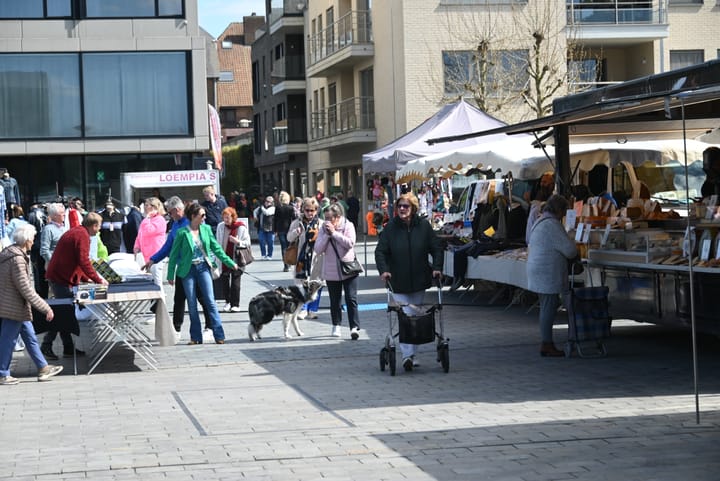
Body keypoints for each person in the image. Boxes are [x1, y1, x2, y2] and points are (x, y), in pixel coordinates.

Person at [375, 193, 443, 371]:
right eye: (399, 206)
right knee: (405, 315)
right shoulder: (390, 228)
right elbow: (380, 251)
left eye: (406, 206)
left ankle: (412, 353)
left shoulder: (423, 226)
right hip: (398, 279)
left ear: (413, 208)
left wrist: (437, 267)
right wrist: (384, 271)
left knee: (416, 317)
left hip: (420, 278)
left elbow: (436, 247)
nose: (402, 209)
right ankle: (407, 355)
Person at [0, 224, 64, 385]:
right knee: (8, 340)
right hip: (13, 306)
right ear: (27, 240)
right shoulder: (17, 259)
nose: (33, 242)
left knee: (30, 338)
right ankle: (3, 373)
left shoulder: (10, 253)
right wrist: (45, 307)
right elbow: (25, 288)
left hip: (15, 305)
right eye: (33, 238)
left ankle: (43, 367)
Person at [166, 203, 238, 345]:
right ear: (193, 216)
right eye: (202, 215)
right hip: (187, 271)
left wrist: (230, 262)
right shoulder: (182, 232)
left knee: (210, 301)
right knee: (192, 304)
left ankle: (219, 335)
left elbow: (216, 248)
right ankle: (195, 337)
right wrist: (170, 275)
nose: (205, 218)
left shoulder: (206, 229)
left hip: (203, 268)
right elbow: (173, 255)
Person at [144, 196, 213, 341]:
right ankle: (176, 329)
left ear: (177, 210)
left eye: (170, 212)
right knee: (179, 298)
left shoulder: (192, 221)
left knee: (202, 298)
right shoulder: (175, 225)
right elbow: (168, 246)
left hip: (196, 267)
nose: (169, 215)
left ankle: (209, 327)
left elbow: (206, 242)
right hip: (182, 268)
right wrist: (153, 259)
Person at [43, 213, 108, 360]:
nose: (99, 231)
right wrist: (97, 280)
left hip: (60, 277)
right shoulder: (82, 235)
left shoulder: (79, 232)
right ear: (94, 225)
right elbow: (84, 261)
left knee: (65, 312)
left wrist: (87, 278)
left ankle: (68, 348)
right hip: (60, 278)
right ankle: (47, 344)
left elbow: (78, 262)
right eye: (98, 227)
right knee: (62, 314)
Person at [526, 194, 577, 358]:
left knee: (546, 306)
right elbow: (570, 251)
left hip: (538, 270)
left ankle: (546, 342)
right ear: (559, 209)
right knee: (549, 307)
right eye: (564, 211)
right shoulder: (552, 225)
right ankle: (547, 344)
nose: (564, 215)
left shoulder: (541, 221)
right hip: (546, 273)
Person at [314, 203, 361, 339]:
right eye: (326, 218)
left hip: (348, 267)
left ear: (338, 216)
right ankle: (336, 325)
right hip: (331, 269)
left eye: (330, 218)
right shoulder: (323, 228)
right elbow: (318, 249)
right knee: (335, 300)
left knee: (351, 298)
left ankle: (354, 327)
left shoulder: (348, 225)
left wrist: (334, 233)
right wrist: (327, 235)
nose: (327, 221)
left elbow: (350, 243)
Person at [287, 197, 323, 320]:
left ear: (316, 211)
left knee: (316, 284)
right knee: (301, 285)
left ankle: (313, 309)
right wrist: (296, 232)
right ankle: (302, 309)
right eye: (307, 210)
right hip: (301, 260)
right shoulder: (297, 222)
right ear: (303, 210)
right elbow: (288, 238)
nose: (309, 213)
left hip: (317, 259)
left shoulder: (321, 224)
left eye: (312, 210)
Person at [215, 207, 251, 312]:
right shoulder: (220, 226)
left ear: (233, 217)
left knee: (235, 281)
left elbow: (247, 242)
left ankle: (235, 304)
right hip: (224, 258)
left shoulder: (241, 228)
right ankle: (227, 302)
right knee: (225, 280)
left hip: (237, 258)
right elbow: (218, 242)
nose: (225, 220)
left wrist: (238, 241)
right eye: (224, 217)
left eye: (228, 217)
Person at [134, 197, 167, 289]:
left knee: (157, 281)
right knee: (149, 282)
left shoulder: (160, 220)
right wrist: (136, 246)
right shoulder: (147, 220)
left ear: (153, 207)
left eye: (146, 205)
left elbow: (149, 230)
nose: (144, 207)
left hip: (157, 255)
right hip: (146, 255)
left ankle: (160, 301)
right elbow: (140, 233)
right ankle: (154, 301)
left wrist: (147, 218)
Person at [275, 191, 297, 272]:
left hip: (280, 229)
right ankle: (290, 262)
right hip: (289, 229)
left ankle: (286, 265)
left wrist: (275, 230)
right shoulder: (290, 208)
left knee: (283, 247)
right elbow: (294, 219)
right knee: (289, 246)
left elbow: (275, 219)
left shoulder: (278, 207)